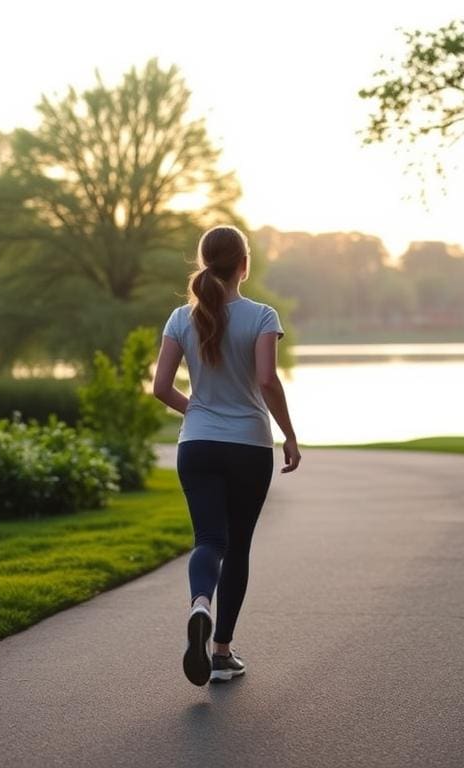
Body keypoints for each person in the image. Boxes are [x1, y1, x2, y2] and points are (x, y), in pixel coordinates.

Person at [152, 224, 301, 687]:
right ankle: (221, 653)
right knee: (238, 547)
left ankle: (200, 605)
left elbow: (160, 388)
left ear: (204, 263)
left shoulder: (181, 317)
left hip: (196, 445)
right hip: (248, 446)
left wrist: (194, 408)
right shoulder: (261, 315)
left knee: (208, 540)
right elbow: (267, 381)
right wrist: (290, 436)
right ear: (244, 264)